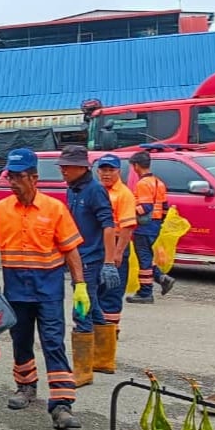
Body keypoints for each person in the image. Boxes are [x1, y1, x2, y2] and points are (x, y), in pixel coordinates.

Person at [0, 148, 86, 430]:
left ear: (34, 178)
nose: (12, 182)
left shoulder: (54, 209)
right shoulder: (1, 210)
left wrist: (81, 286)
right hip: (16, 288)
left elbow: (71, 251)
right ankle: (25, 387)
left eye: (18, 177)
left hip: (48, 288)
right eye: (9, 176)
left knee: (53, 342)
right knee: (21, 339)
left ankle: (62, 404)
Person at [56, 146, 118, 388]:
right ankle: (103, 360)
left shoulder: (94, 191)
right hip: (77, 257)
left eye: (66, 166)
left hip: (90, 260)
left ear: (82, 167)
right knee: (93, 307)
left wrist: (109, 262)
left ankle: (82, 371)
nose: (62, 170)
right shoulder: (73, 189)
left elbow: (108, 225)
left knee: (82, 309)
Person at [94, 154, 136, 373]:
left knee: (110, 298)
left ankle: (106, 353)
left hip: (116, 246)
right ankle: (96, 348)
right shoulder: (96, 190)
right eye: (103, 170)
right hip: (96, 247)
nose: (107, 173)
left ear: (119, 171)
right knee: (96, 297)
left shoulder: (124, 194)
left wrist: (117, 254)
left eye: (111, 170)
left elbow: (127, 227)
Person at [126, 151, 175, 304]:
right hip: (155, 225)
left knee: (144, 260)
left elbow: (146, 207)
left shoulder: (142, 184)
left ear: (135, 166)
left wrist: (130, 212)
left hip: (144, 226)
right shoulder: (158, 182)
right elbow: (165, 206)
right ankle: (162, 278)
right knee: (146, 256)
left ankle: (145, 292)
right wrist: (159, 221)